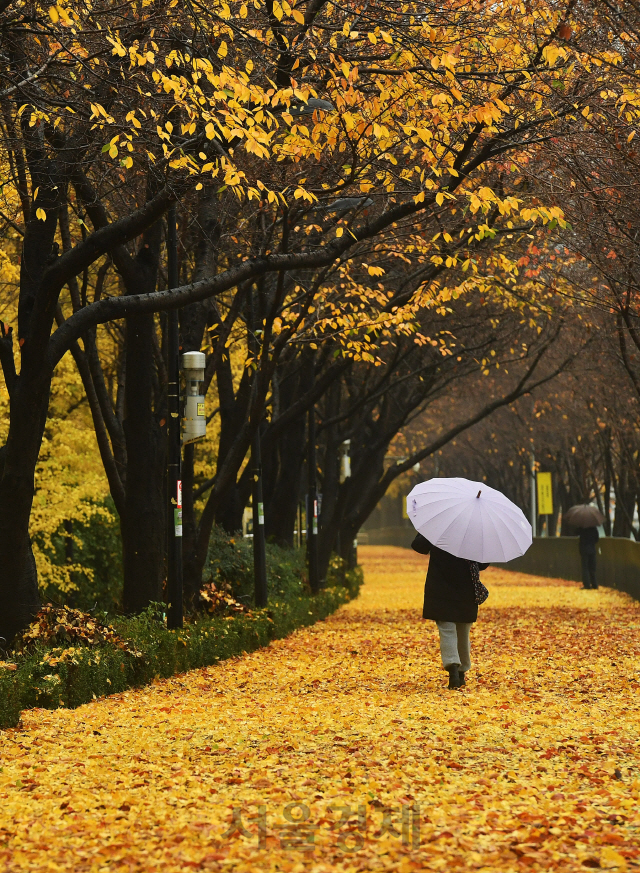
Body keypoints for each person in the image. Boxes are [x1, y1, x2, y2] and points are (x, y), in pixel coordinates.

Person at [411, 532, 488, 689]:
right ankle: (461, 673)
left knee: (447, 630)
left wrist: (429, 530)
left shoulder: (439, 527)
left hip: (440, 587)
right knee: (463, 631)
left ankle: (453, 670)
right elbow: (482, 564)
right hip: (465, 588)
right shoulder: (473, 530)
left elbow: (418, 546)